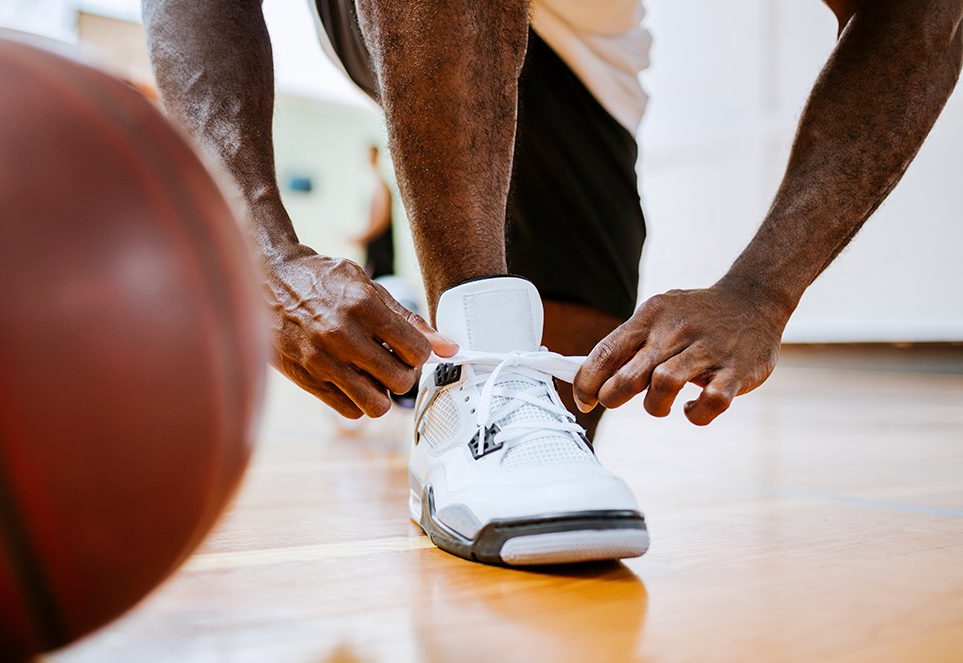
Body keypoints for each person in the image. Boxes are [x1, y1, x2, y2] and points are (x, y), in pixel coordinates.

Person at [142, 0, 962, 565]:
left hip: (582, 66)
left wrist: (762, 288)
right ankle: (466, 356)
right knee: (493, 404)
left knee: (559, 414)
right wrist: (260, 253)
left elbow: (921, 16)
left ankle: (442, 375)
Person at [352, 145, 396, 280]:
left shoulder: (381, 186)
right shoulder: (373, 185)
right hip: (374, 248)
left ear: (375, 156)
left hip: (381, 250)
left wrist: (363, 237)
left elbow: (383, 219)